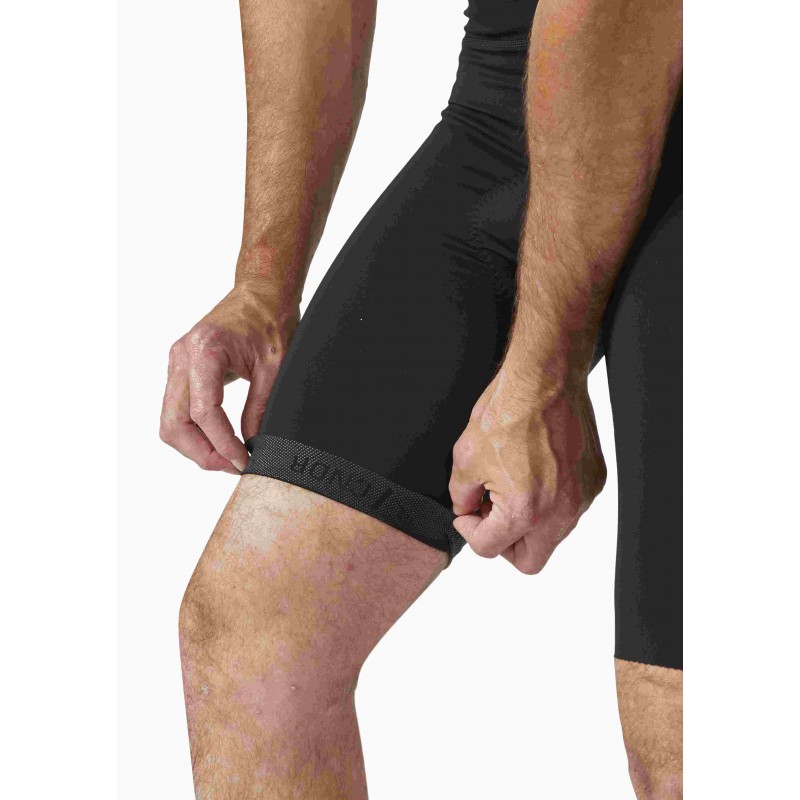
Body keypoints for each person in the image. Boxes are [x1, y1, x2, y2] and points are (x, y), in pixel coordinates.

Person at [159, 0, 683, 796]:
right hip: (514, 95)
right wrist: (263, 283)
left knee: (685, 727)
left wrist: (542, 372)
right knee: (253, 638)